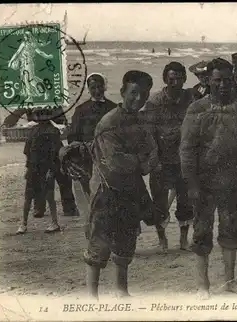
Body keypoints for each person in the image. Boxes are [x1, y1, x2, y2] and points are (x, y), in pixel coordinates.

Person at [180, 58, 237, 299]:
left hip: (233, 181)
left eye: (227, 80)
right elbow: (186, 150)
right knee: (202, 232)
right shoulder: (196, 109)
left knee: (230, 231)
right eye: (217, 80)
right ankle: (203, 285)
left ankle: (230, 282)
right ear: (208, 81)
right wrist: (191, 183)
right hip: (203, 183)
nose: (222, 85)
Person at [84, 70, 159, 299]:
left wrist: (140, 161)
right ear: (123, 92)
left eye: (144, 94)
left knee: (126, 241)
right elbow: (115, 163)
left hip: (131, 189)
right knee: (100, 243)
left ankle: (121, 290)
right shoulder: (109, 123)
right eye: (134, 93)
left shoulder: (141, 121)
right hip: (107, 189)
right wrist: (140, 160)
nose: (138, 99)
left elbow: (152, 157)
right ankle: (91, 296)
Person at [140, 62, 194, 252]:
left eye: (179, 78)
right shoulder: (154, 102)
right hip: (162, 160)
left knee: (186, 202)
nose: (176, 82)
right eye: (172, 79)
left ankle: (183, 240)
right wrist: (155, 160)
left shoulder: (190, 98)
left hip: (185, 160)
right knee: (160, 204)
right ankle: (162, 239)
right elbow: (148, 134)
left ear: (185, 79)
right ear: (165, 79)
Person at [67, 73, 117, 195]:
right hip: (87, 155)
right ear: (88, 89)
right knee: (90, 187)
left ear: (104, 87)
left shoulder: (113, 108)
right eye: (93, 88)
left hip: (109, 153)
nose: (97, 91)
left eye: (99, 87)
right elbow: (73, 134)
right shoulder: (81, 110)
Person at [17, 108, 62, 234]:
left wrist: (52, 171)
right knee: (28, 196)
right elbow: (27, 151)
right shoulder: (33, 130)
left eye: (45, 114)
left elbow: (55, 153)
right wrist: (27, 168)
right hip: (33, 167)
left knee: (49, 196)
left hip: (46, 167)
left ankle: (54, 223)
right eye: (39, 115)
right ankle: (23, 224)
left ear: (49, 115)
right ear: (36, 116)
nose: (42, 117)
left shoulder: (54, 131)